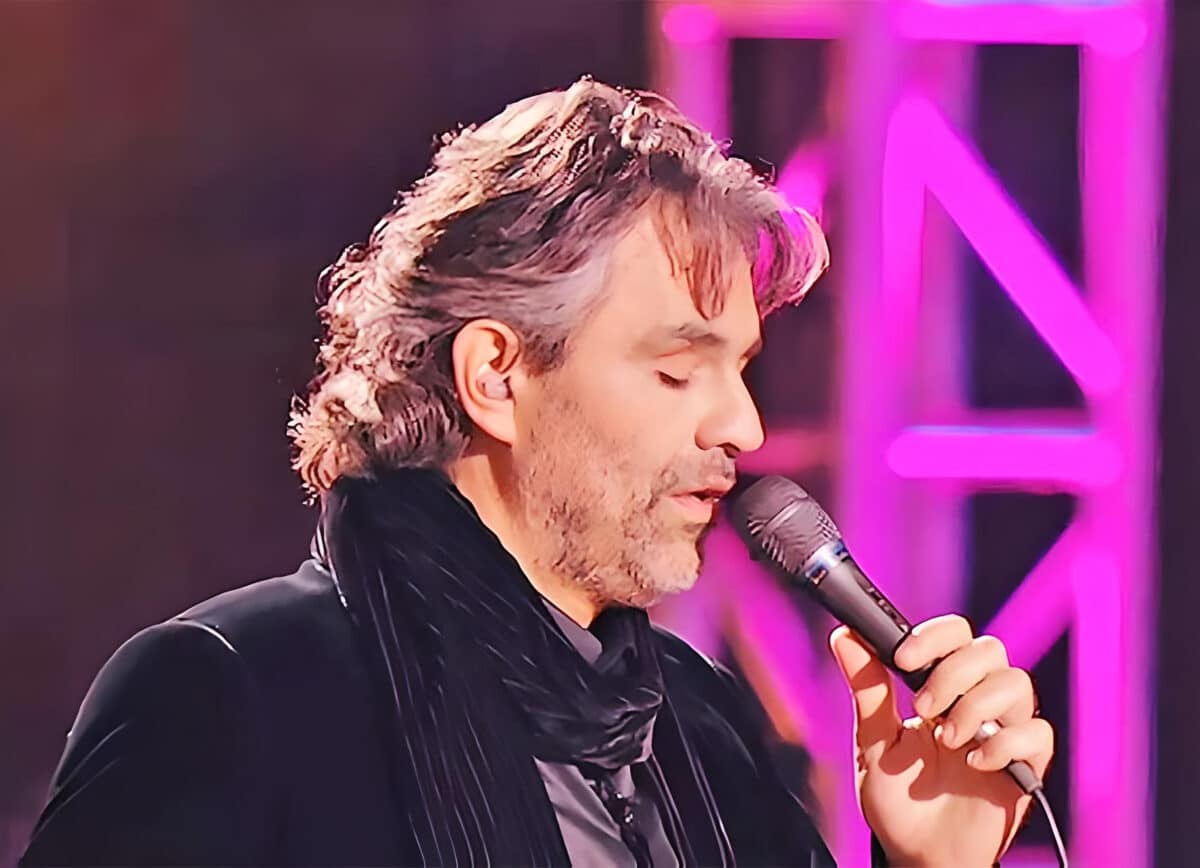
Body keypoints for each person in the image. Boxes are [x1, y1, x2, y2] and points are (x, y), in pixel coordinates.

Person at [20, 77, 1053, 867]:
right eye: (676, 368)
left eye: (738, 368)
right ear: (497, 376)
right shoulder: (232, 694)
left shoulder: (704, 731)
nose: (740, 424)